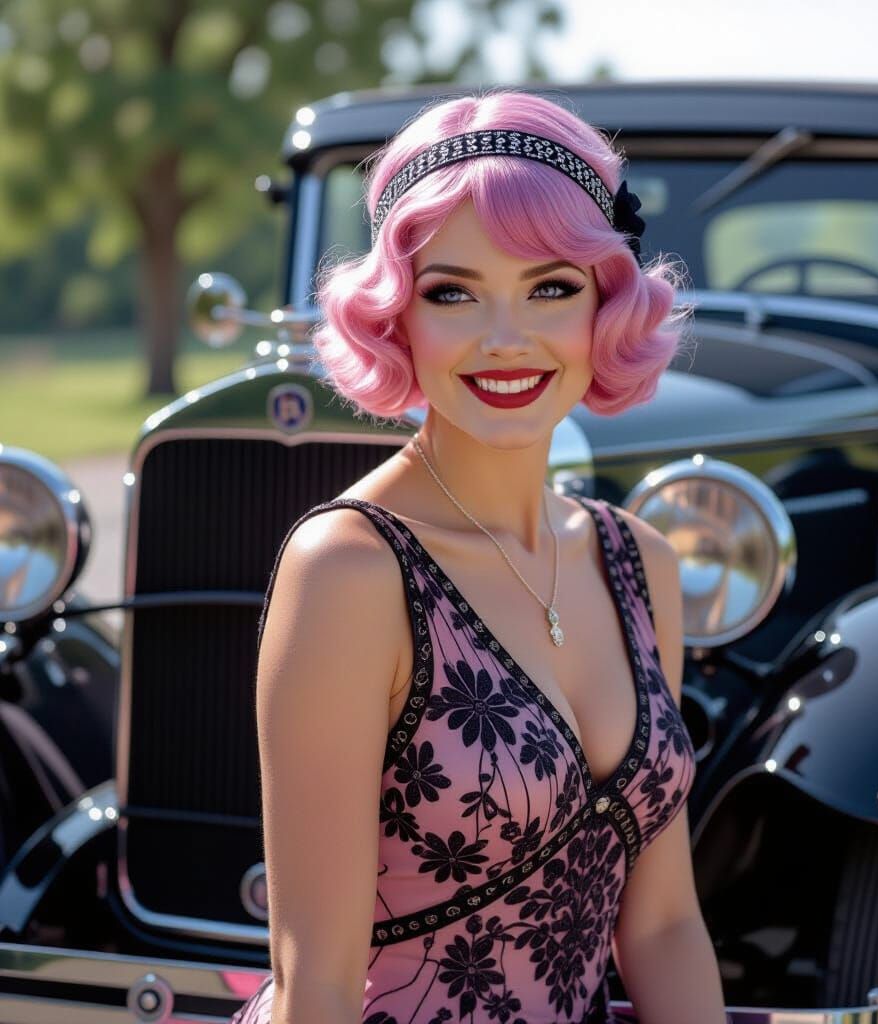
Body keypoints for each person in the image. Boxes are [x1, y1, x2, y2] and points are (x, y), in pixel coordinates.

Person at [231, 87, 726, 1024]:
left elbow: (661, 926)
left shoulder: (639, 564)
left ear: (605, 305)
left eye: (551, 287)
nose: (507, 338)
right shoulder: (352, 569)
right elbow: (317, 984)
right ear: (397, 316)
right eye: (453, 292)